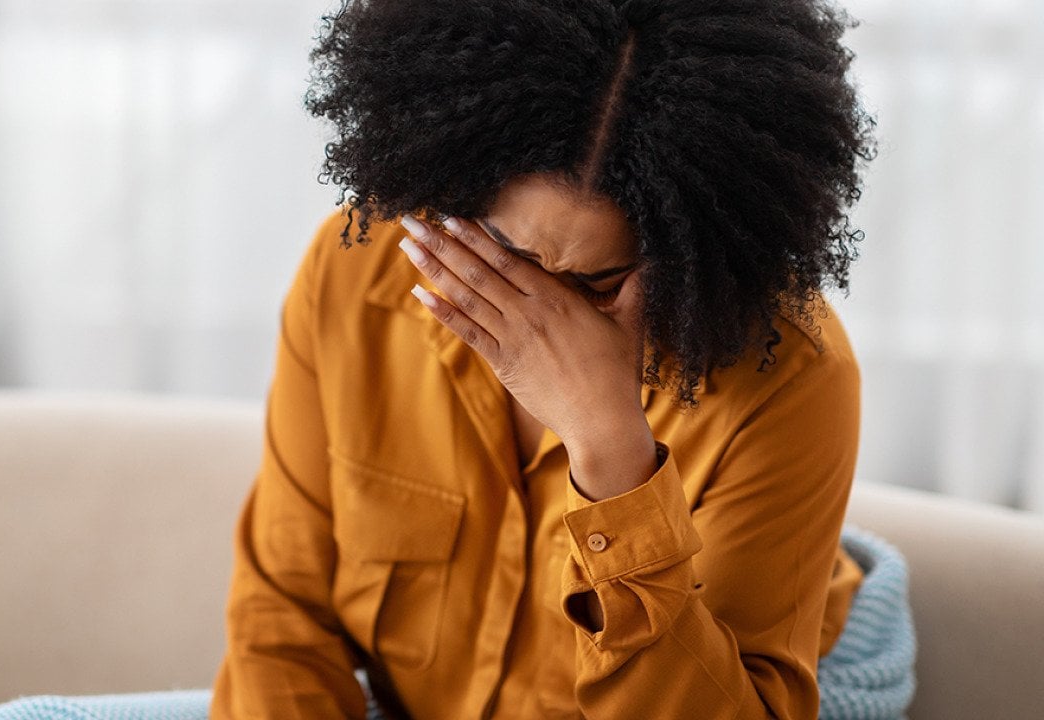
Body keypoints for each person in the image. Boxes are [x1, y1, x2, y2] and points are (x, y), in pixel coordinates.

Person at [211, 0, 879, 717]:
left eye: (596, 284)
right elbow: (281, 621)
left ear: (692, 255)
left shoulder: (794, 376)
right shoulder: (356, 275)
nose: (539, 320)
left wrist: (612, 452)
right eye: (501, 257)